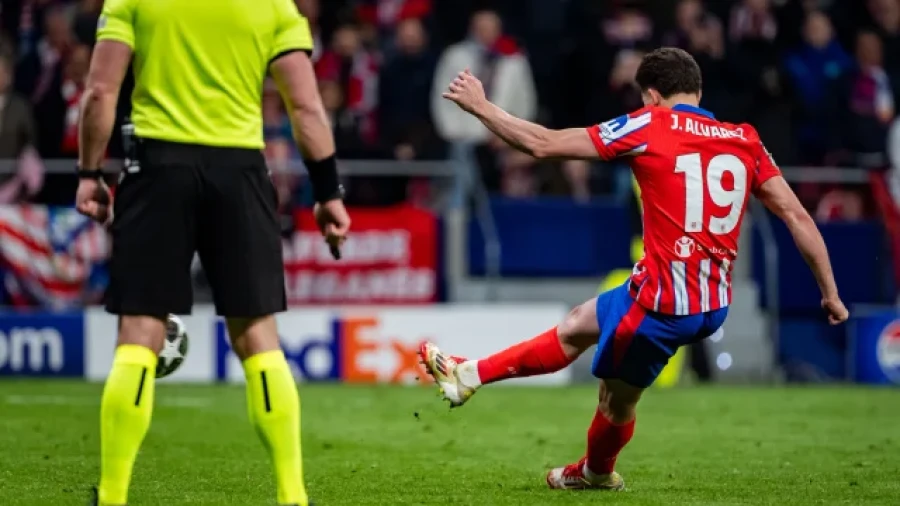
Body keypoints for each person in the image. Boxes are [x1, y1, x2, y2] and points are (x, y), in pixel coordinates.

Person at [419, 47, 849, 491]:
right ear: (697, 91)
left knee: (615, 402)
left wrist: (482, 107)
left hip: (662, 306)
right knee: (578, 323)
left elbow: (542, 144)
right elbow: (798, 217)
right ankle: (468, 375)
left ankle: (595, 473)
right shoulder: (744, 138)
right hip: (710, 300)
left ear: (652, 96)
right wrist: (830, 293)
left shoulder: (650, 123)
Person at [75, 1, 350, 505]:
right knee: (258, 335)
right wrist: (328, 191)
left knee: (140, 332)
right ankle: (292, 495)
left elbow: (100, 91)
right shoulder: (273, 5)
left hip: (158, 166)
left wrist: (90, 173)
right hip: (240, 172)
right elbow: (306, 107)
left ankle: (112, 496)